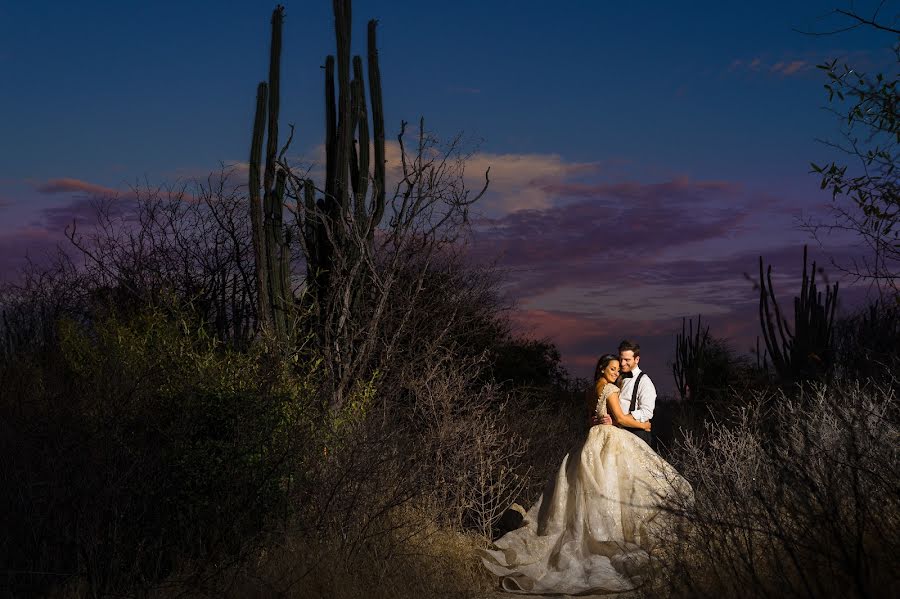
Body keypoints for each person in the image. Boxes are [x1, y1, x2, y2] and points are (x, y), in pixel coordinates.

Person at [479, 354, 689, 595]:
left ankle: (595, 534)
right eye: (611, 368)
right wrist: (644, 425)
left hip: (592, 439)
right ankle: (606, 539)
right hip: (608, 438)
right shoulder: (609, 388)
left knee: (592, 488)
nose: (615, 373)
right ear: (602, 368)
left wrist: (598, 419)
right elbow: (619, 418)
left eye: (617, 369)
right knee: (616, 484)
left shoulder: (591, 390)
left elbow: (593, 417)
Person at [617, 339, 657, 447]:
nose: (622, 363)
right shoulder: (615, 377)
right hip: (616, 434)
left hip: (636, 435)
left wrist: (622, 418)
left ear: (637, 359)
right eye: (621, 359)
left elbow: (647, 412)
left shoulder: (645, 382)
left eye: (627, 360)